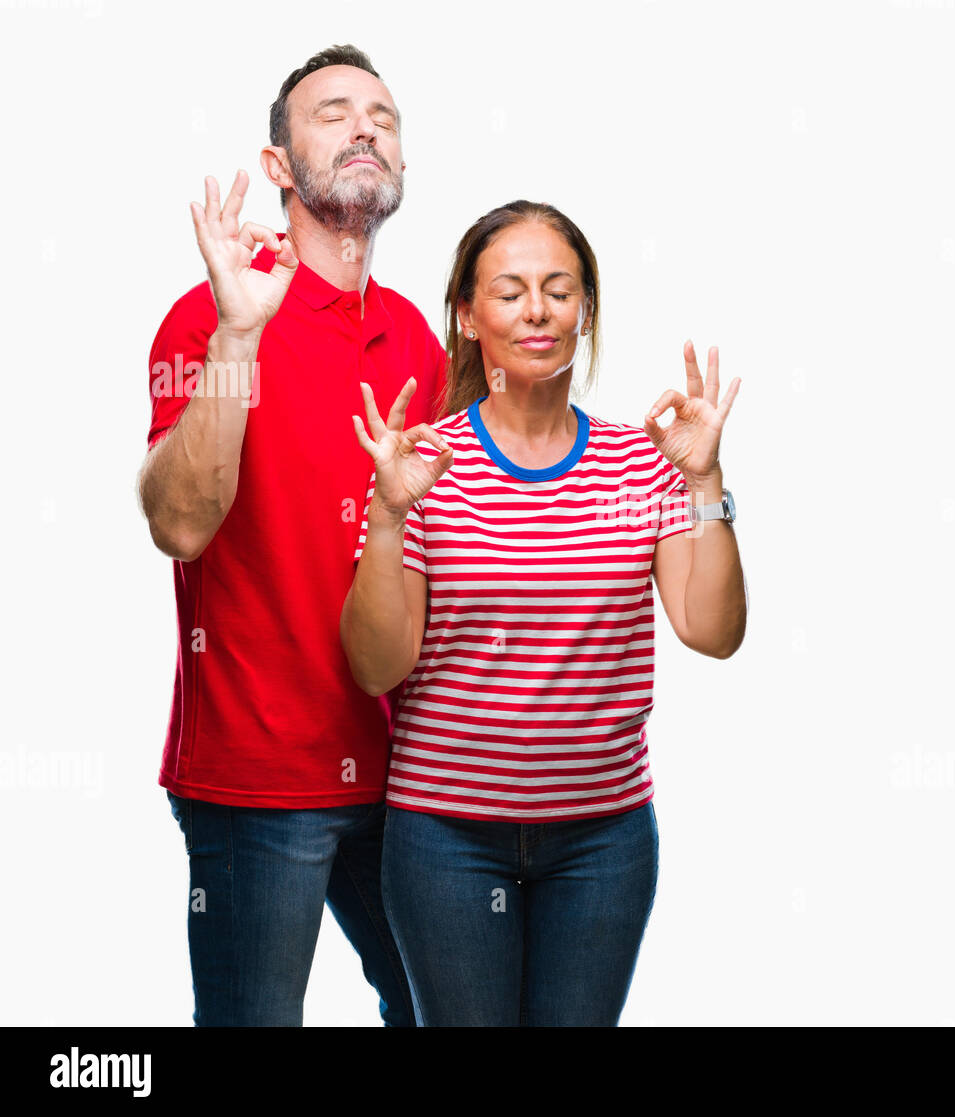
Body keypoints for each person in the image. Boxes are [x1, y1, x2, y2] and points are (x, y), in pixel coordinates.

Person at [340, 200, 747, 1026]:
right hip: (445, 838)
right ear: (467, 314)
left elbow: (713, 631)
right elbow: (377, 666)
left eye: (559, 291)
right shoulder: (423, 466)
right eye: (511, 291)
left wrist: (707, 484)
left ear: (585, 310)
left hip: (603, 840)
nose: (537, 310)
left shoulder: (644, 463)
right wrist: (386, 518)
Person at [138, 44, 444, 1026]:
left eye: (384, 116)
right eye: (334, 112)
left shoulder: (416, 338)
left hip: (405, 772)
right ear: (278, 169)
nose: (366, 127)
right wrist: (238, 338)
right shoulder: (210, 317)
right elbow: (180, 524)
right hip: (259, 779)